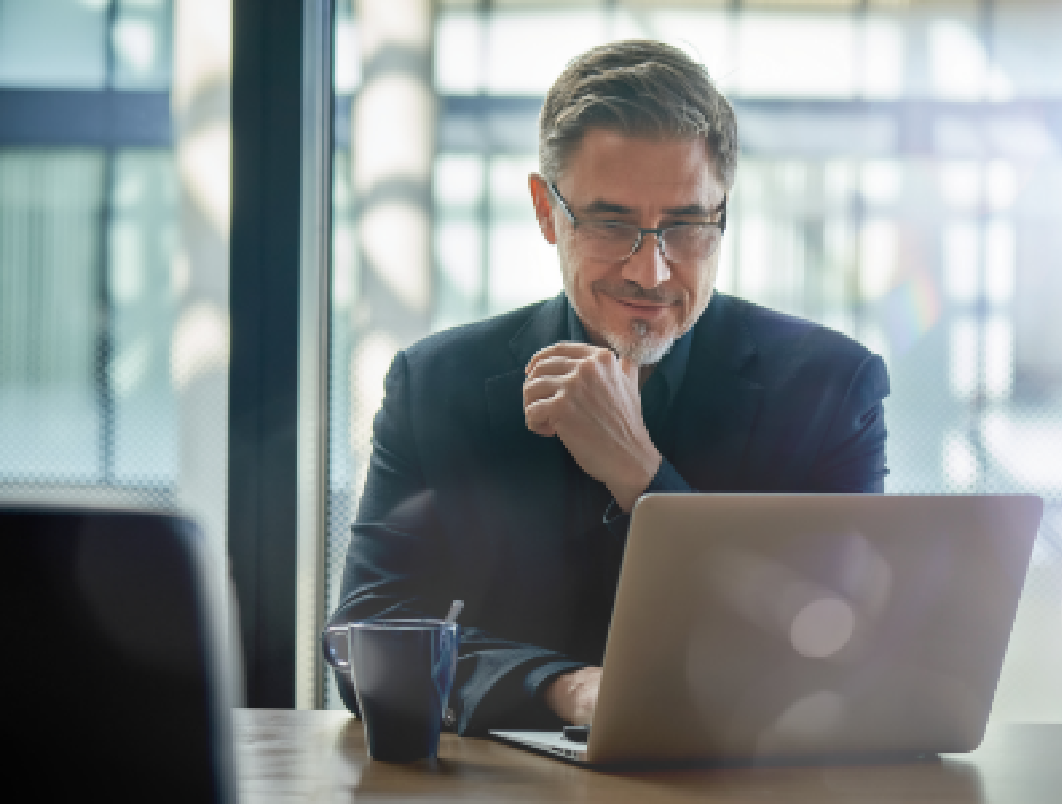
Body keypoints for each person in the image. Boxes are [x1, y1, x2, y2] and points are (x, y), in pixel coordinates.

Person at [331, 40, 890, 735]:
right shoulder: (436, 384)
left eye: (686, 226)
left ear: (723, 214)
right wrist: (561, 689)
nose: (651, 272)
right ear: (545, 211)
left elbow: (841, 652)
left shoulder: (831, 390)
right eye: (612, 223)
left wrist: (643, 478)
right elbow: (367, 641)